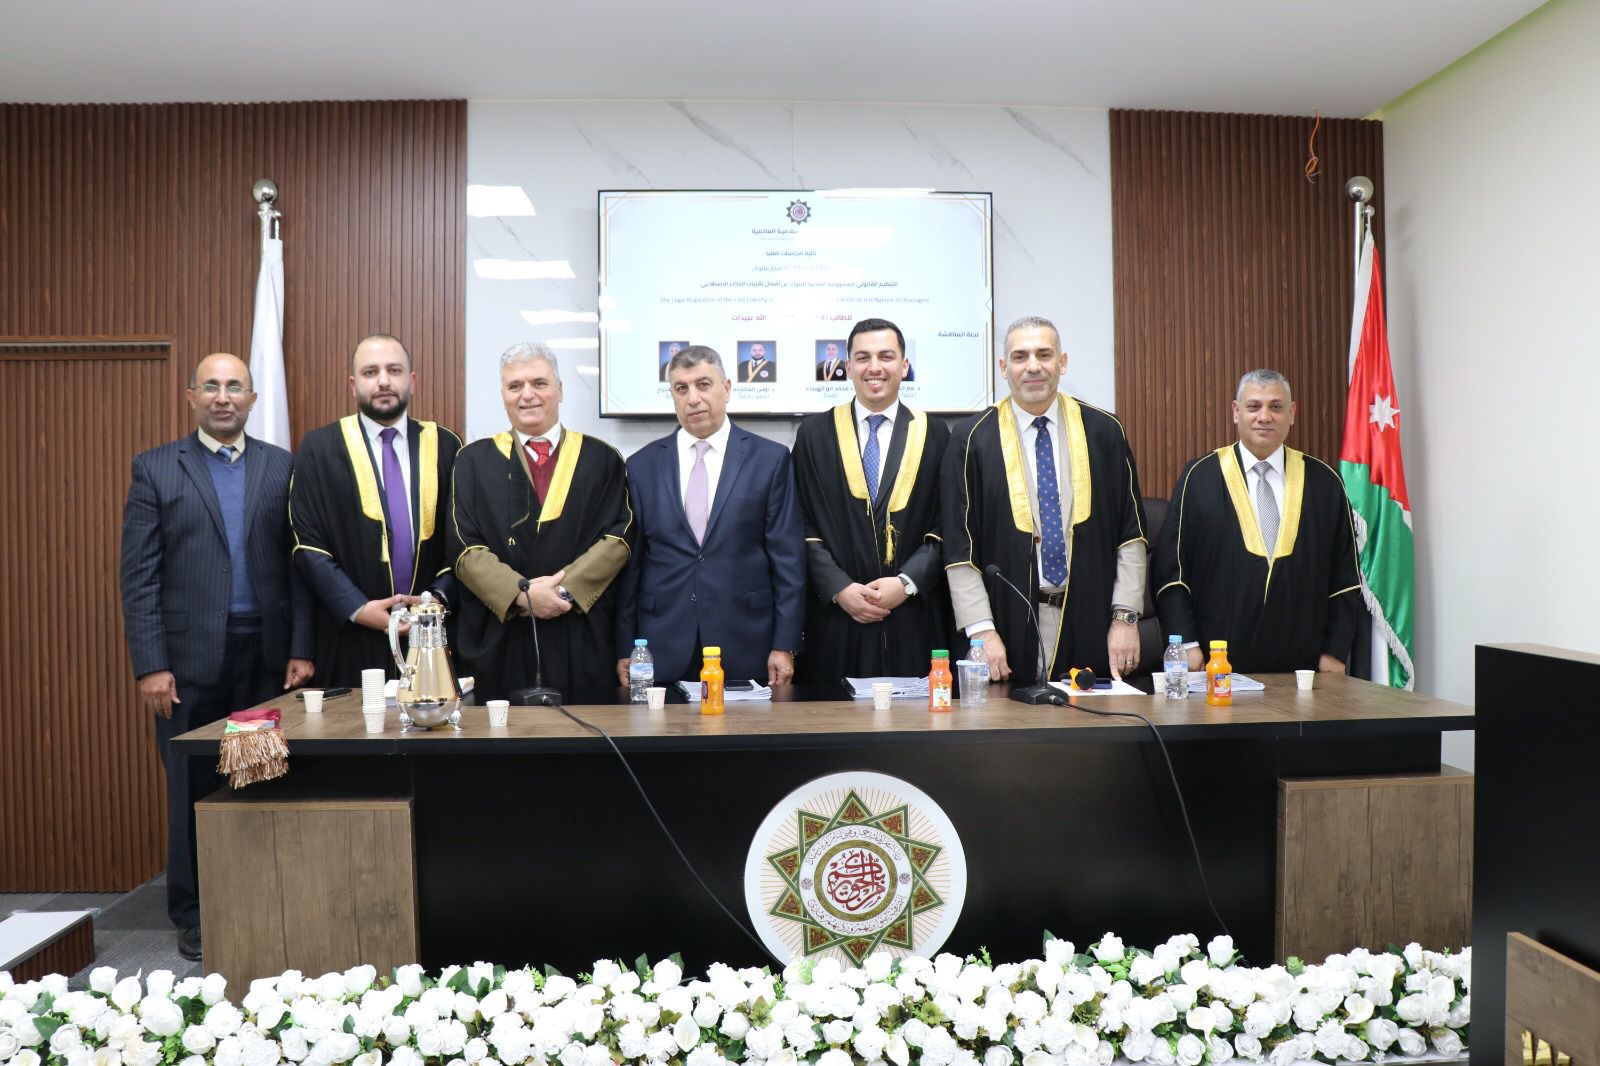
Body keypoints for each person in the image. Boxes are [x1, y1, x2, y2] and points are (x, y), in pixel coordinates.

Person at [119, 352, 314, 962]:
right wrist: (151, 665)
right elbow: (139, 576)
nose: (223, 396)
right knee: (191, 789)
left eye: (235, 386)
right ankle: (194, 914)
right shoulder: (156, 468)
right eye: (211, 386)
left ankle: (257, 902)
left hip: (264, 662)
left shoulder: (282, 466)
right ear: (191, 397)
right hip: (187, 667)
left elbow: (299, 567)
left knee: (257, 781)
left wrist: (301, 648)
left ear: (252, 399)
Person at [941, 316, 1148, 684]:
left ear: (1062, 362)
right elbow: (960, 549)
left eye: (1044, 354)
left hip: (1092, 618)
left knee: (1091, 719)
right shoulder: (971, 439)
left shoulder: (1104, 431)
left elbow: (1130, 535)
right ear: (1003, 367)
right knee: (1009, 719)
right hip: (1005, 625)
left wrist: (1125, 618)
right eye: (1020, 357)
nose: (1033, 366)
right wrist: (981, 631)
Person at [450, 343, 633, 699]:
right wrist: (522, 594)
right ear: (503, 395)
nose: (527, 395)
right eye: (515, 386)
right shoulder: (471, 461)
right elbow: (463, 546)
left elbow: (619, 538)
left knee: (584, 729)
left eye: (539, 383)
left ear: (560, 389)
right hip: (501, 631)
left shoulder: (602, 458)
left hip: (579, 629)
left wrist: (563, 591)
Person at [616, 345, 805, 686]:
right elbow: (632, 566)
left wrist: (785, 644)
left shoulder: (770, 459)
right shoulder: (642, 465)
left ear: (726, 388)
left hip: (746, 640)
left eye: (703, 385)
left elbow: (788, 560)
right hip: (662, 641)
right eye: (681, 388)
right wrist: (625, 647)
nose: (693, 398)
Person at [1152, 370, 1362, 674]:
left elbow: (1345, 579)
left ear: (1292, 413)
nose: (1265, 417)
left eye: (1276, 407)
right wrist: (1186, 643)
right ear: (1236, 412)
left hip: (1304, 673)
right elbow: (1171, 571)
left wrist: (1335, 652)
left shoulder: (1325, 483)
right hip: (1216, 669)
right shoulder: (1199, 478)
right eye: (1254, 407)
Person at [291, 334, 462, 686]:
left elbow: (461, 538)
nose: (383, 381)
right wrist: (358, 608)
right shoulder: (320, 448)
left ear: (411, 380)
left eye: (394, 370)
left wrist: (434, 600)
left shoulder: (446, 445)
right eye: (371, 372)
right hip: (349, 633)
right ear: (353, 384)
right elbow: (306, 544)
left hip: (430, 633)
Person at [793, 318, 952, 682]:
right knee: (834, 712)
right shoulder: (814, 435)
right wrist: (838, 587)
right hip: (835, 618)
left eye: (886, 356)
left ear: (904, 365)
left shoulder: (935, 434)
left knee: (915, 714)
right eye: (863, 358)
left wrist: (907, 582)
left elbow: (948, 523)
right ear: (848, 367)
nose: (874, 367)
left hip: (913, 616)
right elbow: (799, 522)